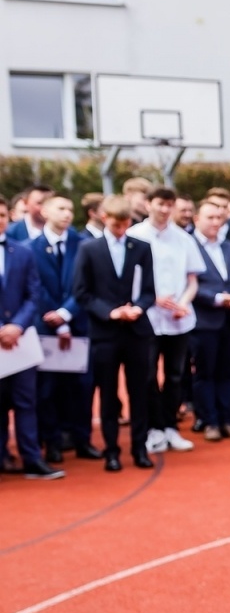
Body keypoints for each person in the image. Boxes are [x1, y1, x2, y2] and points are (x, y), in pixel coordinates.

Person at [72, 195, 157, 471]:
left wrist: (138, 308)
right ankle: (111, 451)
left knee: (139, 391)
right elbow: (82, 292)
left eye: (125, 224)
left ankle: (139, 448)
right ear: (105, 219)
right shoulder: (89, 249)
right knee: (108, 394)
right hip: (105, 332)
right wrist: (110, 312)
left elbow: (148, 290)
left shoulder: (142, 247)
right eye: (117, 224)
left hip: (136, 330)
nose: (122, 229)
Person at [129, 186, 205, 454]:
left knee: (175, 376)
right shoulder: (134, 235)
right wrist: (152, 298)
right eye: (160, 204)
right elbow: (128, 280)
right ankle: (154, 428)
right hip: (146, 318)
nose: (164, 209)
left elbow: (193, 279)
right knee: (147, 375)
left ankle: (171, 427)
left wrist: (183, 302)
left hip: (179, 319)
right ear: (148, 204)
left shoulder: (184, 238)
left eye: (169, 205)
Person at [30, 195, 97, 462]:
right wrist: (54, 318)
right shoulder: (29, 247)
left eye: (70, 208)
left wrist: (66, 313)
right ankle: (53, 442)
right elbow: (36, 287)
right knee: (47, 390)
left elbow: (84, 285)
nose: (67, 213)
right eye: (61, 208)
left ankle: (83, 440)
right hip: (45, 329)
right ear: (45, 211)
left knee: (82, 387)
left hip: (78, 326)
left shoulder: (84, 245)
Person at [0, 208, 63, 479]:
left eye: (2, 214)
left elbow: (33, 293)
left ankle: (32, 458)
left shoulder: (22, 251)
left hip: (22, 339)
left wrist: (17, 326)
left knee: (27, 400)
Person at [191, 198, 230, 441]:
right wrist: (217, 298)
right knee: (205, 373)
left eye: (219, 218)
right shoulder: (189, 248)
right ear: (197, 219)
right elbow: (189, 284)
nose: (216, 222)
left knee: (228, 373)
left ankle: (227, 419)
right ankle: (210, 421)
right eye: (210, 218)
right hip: (206, 319)